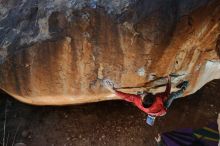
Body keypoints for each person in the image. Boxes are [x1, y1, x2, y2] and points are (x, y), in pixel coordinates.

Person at [105, 75, 189, 125]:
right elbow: (167, 92)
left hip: (158, 110)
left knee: (171, 96)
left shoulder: (139, 102)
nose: (141, 95)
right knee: (173, 95)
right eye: (143, 95)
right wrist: (169, 80)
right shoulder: (159, 99)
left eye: (142, 95)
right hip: (163, 108)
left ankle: (153, 117)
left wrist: (113, 90)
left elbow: (126, 97)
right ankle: (183, 88)